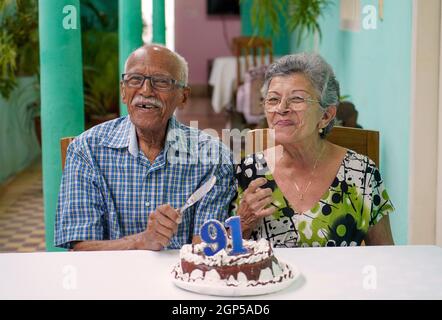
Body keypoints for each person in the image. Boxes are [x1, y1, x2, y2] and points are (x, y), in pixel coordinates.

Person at [55, 44, 236, 251]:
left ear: (183, 97)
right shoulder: (86, 150)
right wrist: (141, 241)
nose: (146, 90)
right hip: (109, 280)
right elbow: (80, 248)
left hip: (182, 280)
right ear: (124, 91)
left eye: (161, 82)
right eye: (135, 80)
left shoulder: (213, 157)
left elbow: (207, 250)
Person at [232, 53, 394, 247]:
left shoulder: (361, 173)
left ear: (326, 115)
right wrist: (242, 224)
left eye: (297, 99)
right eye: (273, 100)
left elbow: (385, 255)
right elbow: (224, 257)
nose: (281, 108)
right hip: (274, 278)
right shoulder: (250, 171)